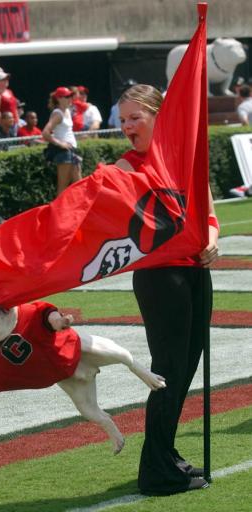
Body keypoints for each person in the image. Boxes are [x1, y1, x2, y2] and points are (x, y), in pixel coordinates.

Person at [115, 84, 219, 496]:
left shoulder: (185, 158)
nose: (126, 126)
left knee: (185, 369)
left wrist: (212, 237)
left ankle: (166, 454)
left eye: (134, 118)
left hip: (195, 271)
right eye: (122, 119)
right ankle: (155, 471)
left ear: (159, 116)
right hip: (159, 278)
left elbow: (207, 210)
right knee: (168, 372)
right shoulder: (125, 167)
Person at [42, 86, 82, 196]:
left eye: (71, 96)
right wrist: (60, 143)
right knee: (63, 187)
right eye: (67, 96)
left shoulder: (67, 111)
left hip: (71, 151)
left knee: (79, 184)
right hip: (63, 153)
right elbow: (45, 133)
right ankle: (57, 212)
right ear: (59, 99)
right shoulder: (58, 114)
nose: (70, 98)